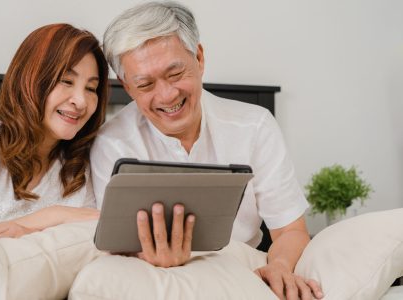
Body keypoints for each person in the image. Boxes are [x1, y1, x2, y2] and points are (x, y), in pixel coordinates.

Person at [90, 2, 323, 299]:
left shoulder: (255, 126)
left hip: (237, 273)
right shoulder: (110, 143)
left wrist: (279, 265)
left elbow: (290, 230)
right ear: (127, 85)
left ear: (199, 58)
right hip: (149, 280)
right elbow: (111, 247)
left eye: (175, 74)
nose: (167, 95)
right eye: (145, 84)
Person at [0, 23, 109, 240]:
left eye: (91, 88)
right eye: (66, 81)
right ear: (31, 80)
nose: (80, 101)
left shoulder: (87, 160)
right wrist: (54, 216)